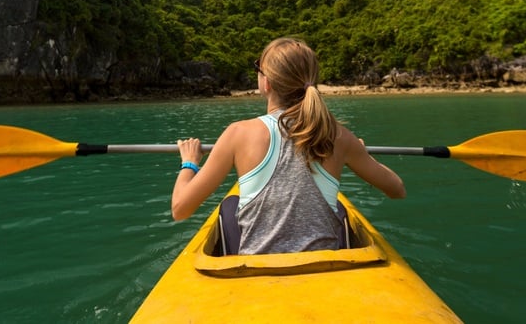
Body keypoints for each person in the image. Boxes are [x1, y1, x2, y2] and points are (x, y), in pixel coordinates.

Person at [171, 37, 405, 254]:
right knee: (340, 210)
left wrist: (189, 163)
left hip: (259, 272)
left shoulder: (238, 133)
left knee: (230, 206)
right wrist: (360, 153)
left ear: (267, 82)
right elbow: (397, 189)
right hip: (326, 272)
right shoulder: (340, 136)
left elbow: (180, 209)